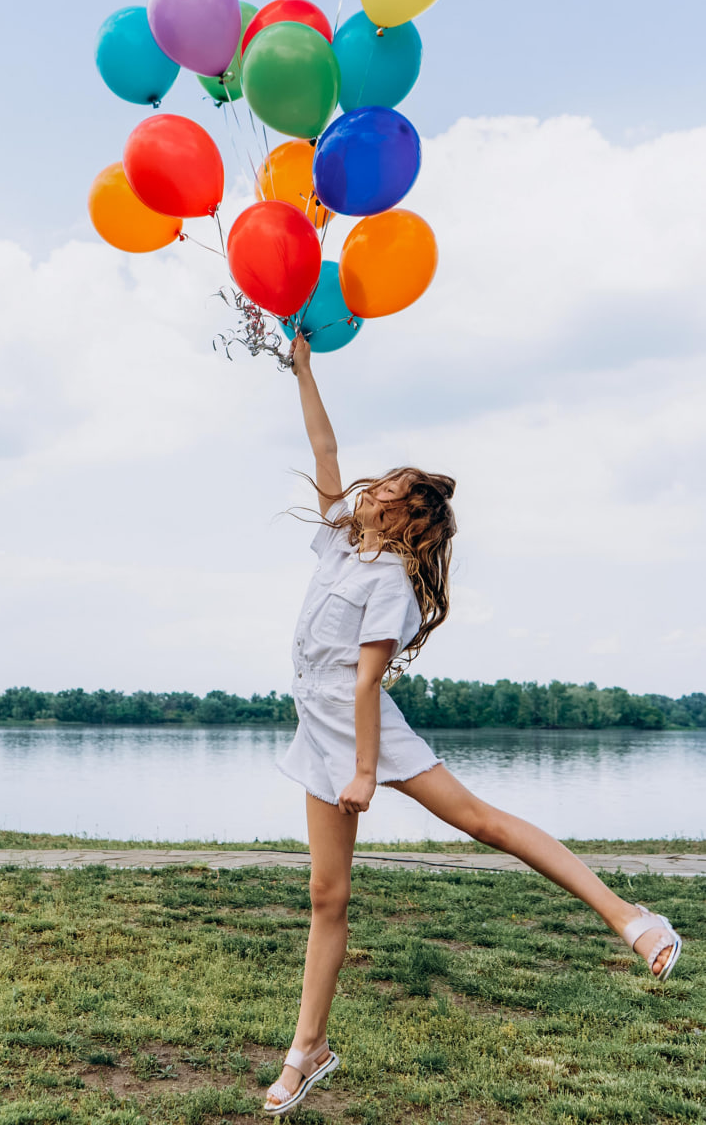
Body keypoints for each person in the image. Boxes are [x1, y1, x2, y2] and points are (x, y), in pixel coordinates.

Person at [263, 336, 682, 1116]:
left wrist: (364, 770)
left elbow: (365, 681)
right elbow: (324, 446)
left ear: (406, 521)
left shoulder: (388, 579)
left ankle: (631, 919)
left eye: (385, 488)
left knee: (482, 821)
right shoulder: (340, 543)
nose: (369, 488)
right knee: (327, 897)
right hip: (319, 729)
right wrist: (305, 369)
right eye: (378, 480)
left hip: (360, 729)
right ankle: (308, 1050)